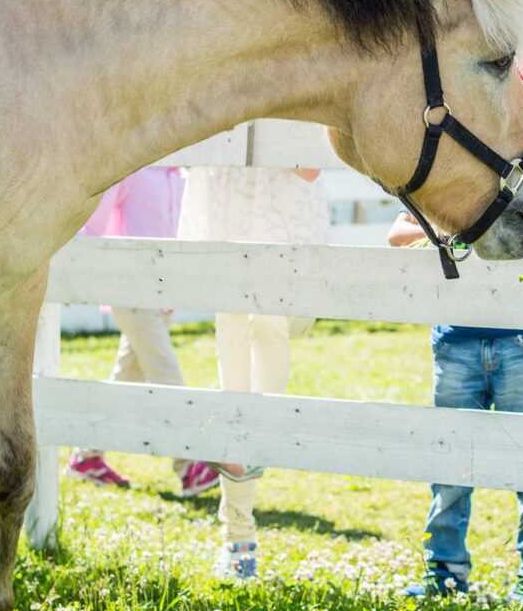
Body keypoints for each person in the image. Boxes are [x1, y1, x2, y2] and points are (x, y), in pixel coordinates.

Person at [390, 186, 523, 604]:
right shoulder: (446, 170)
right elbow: (397, 234)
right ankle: (445, 571)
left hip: (521, 338)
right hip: (456, 339)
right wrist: (450, 225)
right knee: (451, 462)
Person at [177, 165, 331, 581]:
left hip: (284, 221)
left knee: (268, 322)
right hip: (229, 205)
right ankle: (238, 539)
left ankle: (256, 442)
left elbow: (310, 167)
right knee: (232, 340)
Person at [66, 166, 221, 497]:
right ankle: (188, 465)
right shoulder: (133, 169)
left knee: (128, 375)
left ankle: (86, 456)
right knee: (165, 372)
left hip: (162, 292)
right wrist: (73, 263)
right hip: (129, 288)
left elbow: (179, 232)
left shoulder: (180, 175)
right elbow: (93, 221)